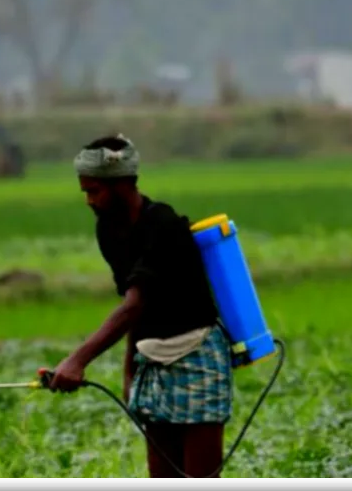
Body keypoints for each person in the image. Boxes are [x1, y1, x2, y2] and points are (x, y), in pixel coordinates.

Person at [47, 134, 233, 478]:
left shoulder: (163, 224)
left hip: (196, 358)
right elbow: (134, 308)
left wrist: (77, 360)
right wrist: (130, 373)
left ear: (121, 184)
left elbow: (135, 304)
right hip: (151, 361)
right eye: (85, 192)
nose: (89, 201)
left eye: (95, 191)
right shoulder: (108, 230)